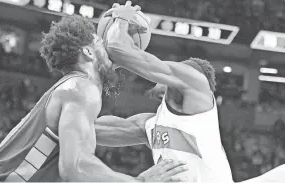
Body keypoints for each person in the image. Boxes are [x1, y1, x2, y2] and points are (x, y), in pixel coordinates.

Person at [0, 15, 187, 182]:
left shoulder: (71, 92)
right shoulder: (82, 89)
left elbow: (125, 129)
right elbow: (75, 168)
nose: (109, 49)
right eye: (101, 43)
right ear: (89, 53)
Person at [95, 1, 285, 183]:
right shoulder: (151, 124)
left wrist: (120, 20)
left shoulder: (197, 85)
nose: (173, 76)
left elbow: (118, 48)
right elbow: (95, 130)